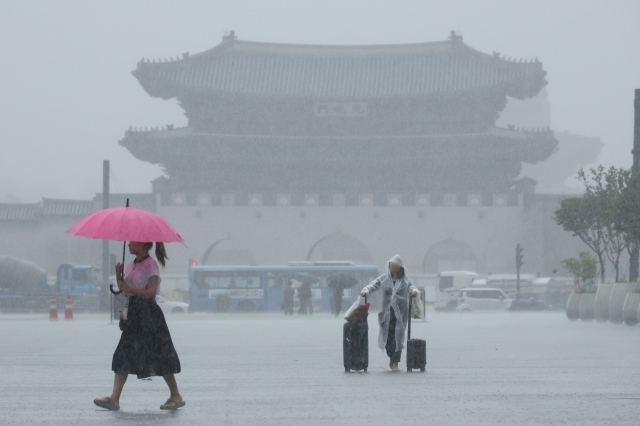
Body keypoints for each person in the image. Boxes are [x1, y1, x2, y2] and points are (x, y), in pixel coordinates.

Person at [93, 241, 185, 411]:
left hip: (149, 316)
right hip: (134, 315)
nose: (128, 244)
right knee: (123, 353)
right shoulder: (131, 264)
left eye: (132, 241)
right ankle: (114, 398)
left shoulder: (151, 266)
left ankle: (175, 395)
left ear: (142, 244)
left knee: (160, 354)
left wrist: (128, 287)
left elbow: (151, 292)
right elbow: (126, 289)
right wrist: (119, 276)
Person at [360, 254, 419, 371]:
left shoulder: (405, 281)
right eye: (392, 265)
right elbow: (372, 286)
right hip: (386, 314)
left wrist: (414, 292)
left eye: (396, 265)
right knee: (388, 337)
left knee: (398, 337)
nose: (393, 267)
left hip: (400, 315)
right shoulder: (383, 279)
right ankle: (391, 357)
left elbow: (412, 287)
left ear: (400, 267)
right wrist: (365, 291)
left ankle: (395, 361)